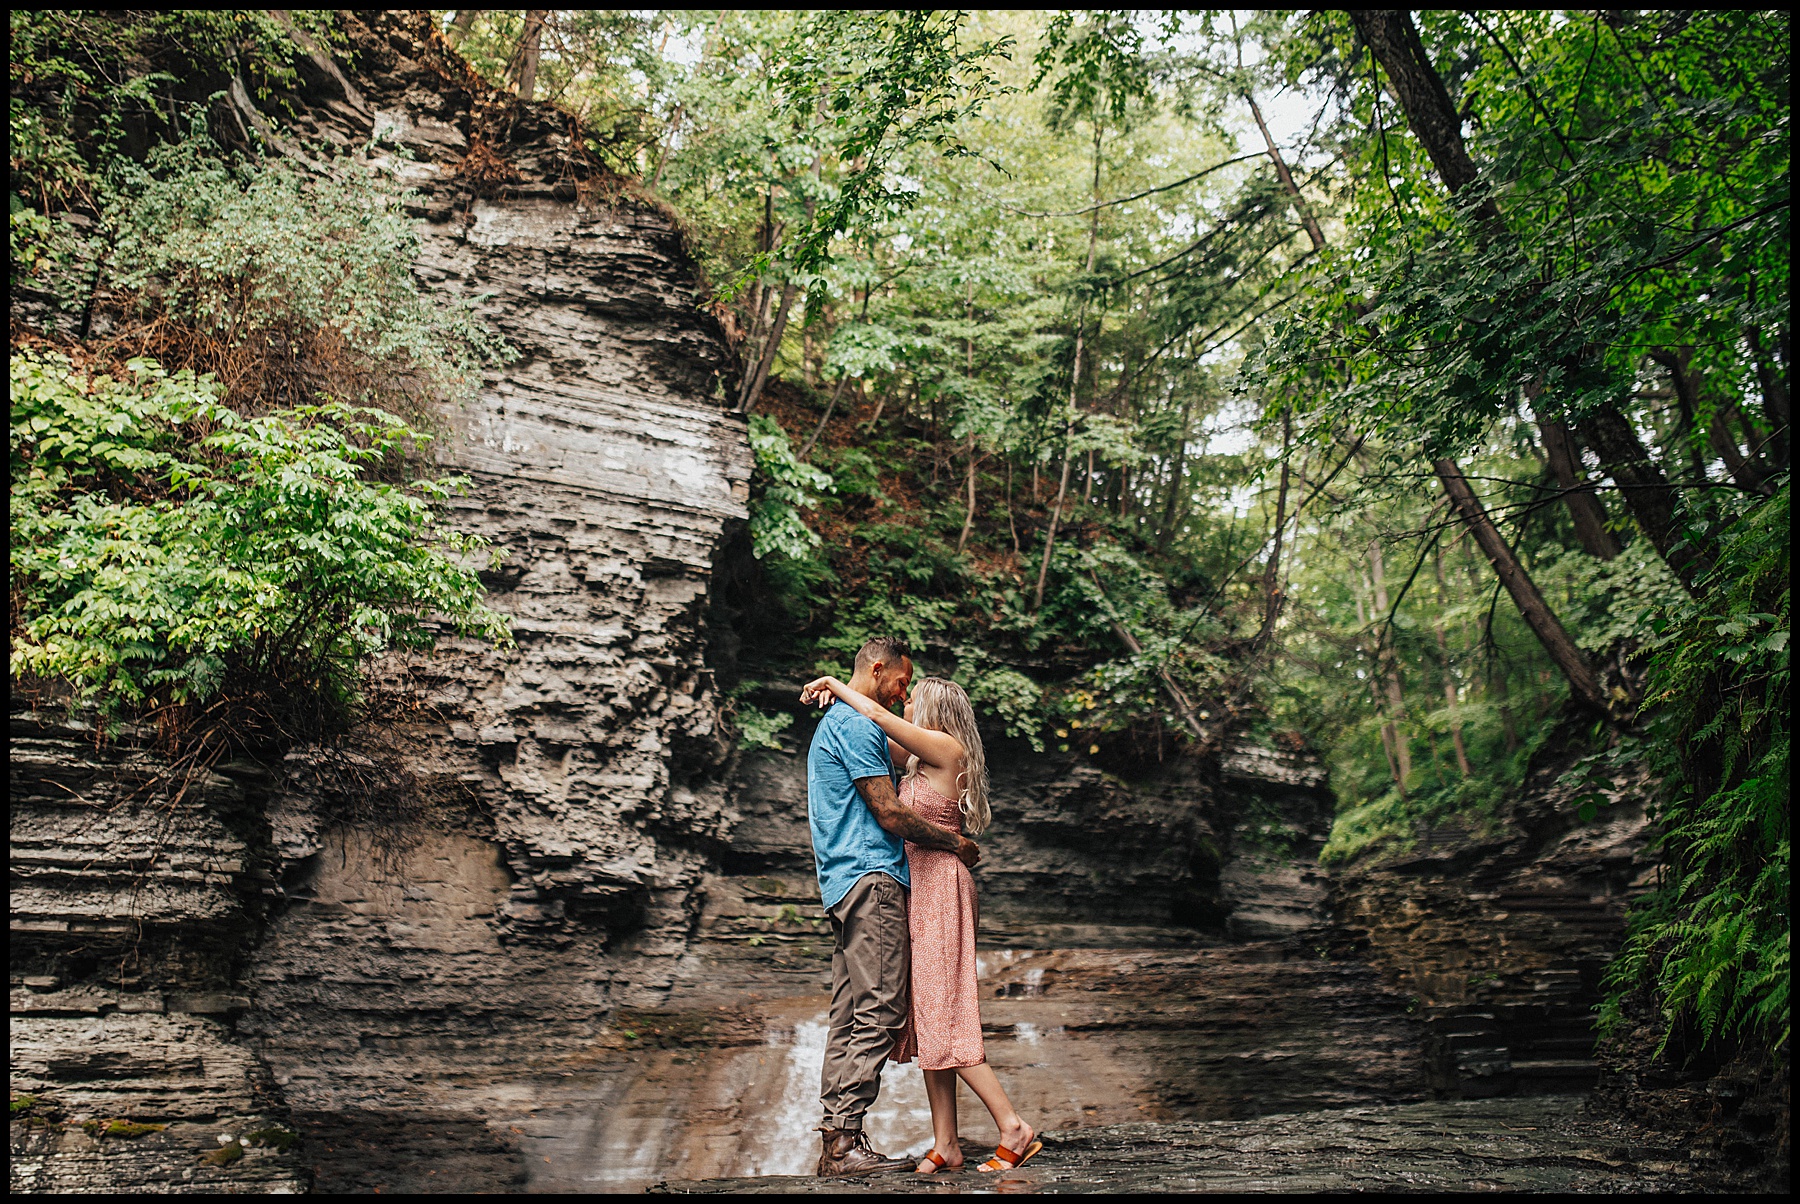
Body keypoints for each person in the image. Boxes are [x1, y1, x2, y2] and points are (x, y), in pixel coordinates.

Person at [800, 670, 1042, 1176]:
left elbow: (875, 714)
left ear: (932, 709)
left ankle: (1012, 1126)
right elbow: (857, 739)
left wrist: (836, 684)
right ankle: (946, 1143)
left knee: (944, 1011)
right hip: (915, 888)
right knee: (927, 1016)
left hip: (941, 887)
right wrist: (836, 702)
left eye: (913, 699)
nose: (903, 702)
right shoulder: (914, 758)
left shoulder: (945, 748)